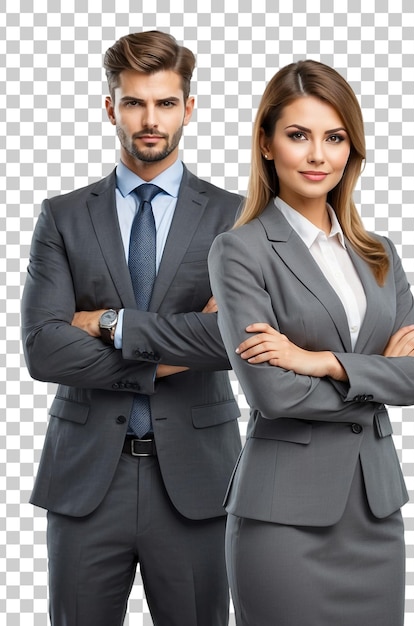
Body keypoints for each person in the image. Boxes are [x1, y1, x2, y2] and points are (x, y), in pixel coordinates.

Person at [208, 60, 414, 626]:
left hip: (375, 513)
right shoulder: (240, 251)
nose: (318, 155)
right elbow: (273, 394)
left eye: (334, 138)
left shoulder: (377, 253)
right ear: (266, 144)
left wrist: (319, 361)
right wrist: (376, 373)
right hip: (284, 521)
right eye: (298, 136)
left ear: (351, 149)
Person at [21, 30, 243, 626]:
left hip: (196, 477)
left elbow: (231, 342)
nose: (151, 119)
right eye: (135, 102)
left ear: (189, 108)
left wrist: (106, 325)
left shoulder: (235, 217)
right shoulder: (64, 216)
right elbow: (44, 350)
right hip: (87, 475)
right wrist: (181, 342)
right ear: (109, 107)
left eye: (166, 103)